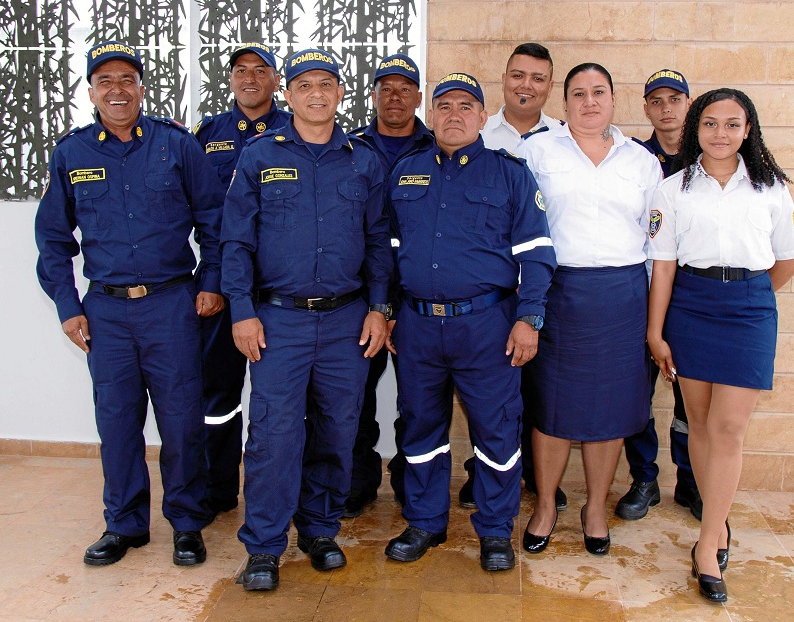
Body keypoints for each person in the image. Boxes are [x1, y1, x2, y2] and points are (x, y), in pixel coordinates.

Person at [34, 41, 221, 567]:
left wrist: (211, 283)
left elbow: (214, 222)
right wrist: (69, 306)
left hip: (172, 304)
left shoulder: (176, 145)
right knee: (116, 420)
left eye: (127, 80)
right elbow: (52, 239)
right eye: (105, 81)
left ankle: (186, 522)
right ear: (92, 92)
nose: (117, 90)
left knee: (183, 418)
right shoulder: (72, 153)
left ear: (141, 88)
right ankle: (124, 523)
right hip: (107, 312)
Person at [221, 48, 393, 591]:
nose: (316, 93)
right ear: (286, 93)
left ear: (341, 93)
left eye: (326, 83)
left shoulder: (363, 160)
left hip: (346, 322)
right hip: (278, 322)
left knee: (338, 430)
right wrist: (242, 313)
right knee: (273, 436)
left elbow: (378, 245)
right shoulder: (257, 156)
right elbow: (235, 242)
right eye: (304, 85)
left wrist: (380, 309)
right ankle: (265, 547)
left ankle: (320, 530)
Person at [383, 72, 556, 572]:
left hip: (487, 326)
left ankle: (496, 531)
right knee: (420, 426)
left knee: (497, 432)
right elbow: (388, 253)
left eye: (466, 106)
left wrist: (529, 319)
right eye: (444, 106)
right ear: (430, 115)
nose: (454, 114)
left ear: (483, 117)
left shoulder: (510, 174)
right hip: (417, 327)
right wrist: (389, 311)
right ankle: (424, 522)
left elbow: (538, 253)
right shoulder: (407, 172)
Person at [647, 88, 794, 602]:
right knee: (698, 422)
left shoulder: (771, 188)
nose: (721, 133)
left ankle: (709, 539)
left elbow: (790, 259)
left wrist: (746, 293)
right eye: (711, 123)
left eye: (732, 124)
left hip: (749, 310)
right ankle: (714, 528)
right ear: (696, 128)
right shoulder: (673, 189)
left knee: (730, 426)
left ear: (748, 129)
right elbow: (664, 265)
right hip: (690, 308)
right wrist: (656, 331)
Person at [517, 63, 660, 556]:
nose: (590, 102)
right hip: (558, 292)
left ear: (614, 100)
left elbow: (658, 240)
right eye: (579, 93)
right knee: (551, 407)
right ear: (564, 103)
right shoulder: (535, 151)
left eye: (599, 92)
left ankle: (595, 506)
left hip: (622, 296)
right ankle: (544, 506)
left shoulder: (641, 161)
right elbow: (519, 226)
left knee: (611, 409)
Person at [191, 43, 291, 516]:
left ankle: (291, 493)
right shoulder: (206, 134)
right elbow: (201, 215)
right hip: (225, 284)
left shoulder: (298, 130)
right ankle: (217, 490)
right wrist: (211, 279)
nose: (249, 78)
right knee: (219, 394)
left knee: (290, 401)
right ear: (231, 79)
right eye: (240, 71)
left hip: (281, 290)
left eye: (260, 71)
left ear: (276, 81)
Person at [468, 42, 567, 513]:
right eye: (518, 75)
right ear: (503, 79)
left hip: (542, 285)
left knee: (541, 385)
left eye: (538, 78)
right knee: (487, 393)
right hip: (487, 292)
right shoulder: (476, 134)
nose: (526, 85)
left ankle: (539, 475)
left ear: (550, 86)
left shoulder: (568, 140)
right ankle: (482, 472)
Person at [340, 53, 435, 517]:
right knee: (356, 394)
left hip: (420, 292)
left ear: (418, 97)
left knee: (417, 397)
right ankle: (357, 482)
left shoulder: (439, 146)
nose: (395, 96)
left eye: (404, 88)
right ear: (373, 95)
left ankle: (408, 479)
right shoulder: (351, 148)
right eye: (386, 88)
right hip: (363, 294)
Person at [616, 68, 702, 522]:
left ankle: (690, 481)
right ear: (646, 107)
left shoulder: (709, 157)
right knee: (636, 394)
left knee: (693, 397)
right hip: (641, 293)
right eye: (657, 101)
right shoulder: (632, 158)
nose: (666, 108)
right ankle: (644, 479)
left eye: (675, 99)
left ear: (689, 103)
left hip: (691, 297)